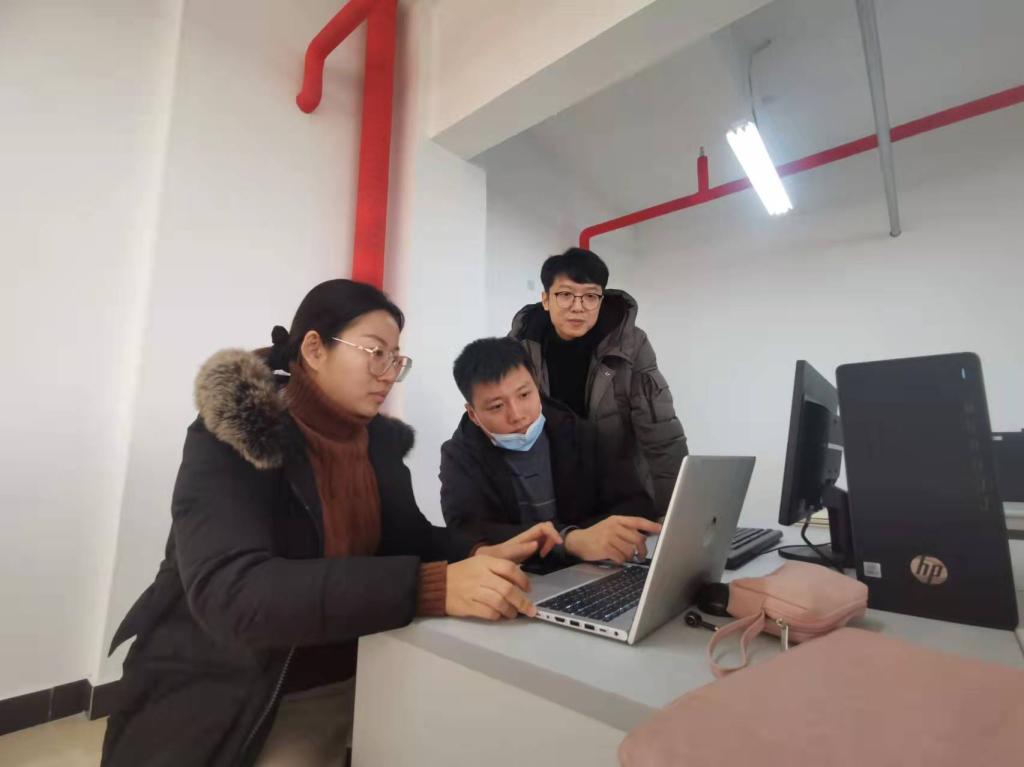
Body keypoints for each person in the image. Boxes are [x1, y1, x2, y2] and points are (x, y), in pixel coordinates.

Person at [101, 280, 561, 767]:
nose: (388, 374)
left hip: (372, 660)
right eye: (375, 353)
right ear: (314, 349)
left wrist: (478, 551)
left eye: (396, 360)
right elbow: (232, 591)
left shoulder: (376, 444)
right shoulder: (236, 436)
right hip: (245, 690)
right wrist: (428, 587)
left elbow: (410, 538)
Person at [441, 337, 662, 565]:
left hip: (590, 567)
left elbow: (637, 505)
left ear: (536, 384)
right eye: (497, 406)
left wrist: (590, 538)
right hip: (517, 573)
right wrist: (568, 540)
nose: (517, 415)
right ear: (473, 414)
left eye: (524, 395)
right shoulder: (459, 456)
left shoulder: (579, 432)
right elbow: (467, 533)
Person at [509, 247, 688, 513]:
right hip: (551, 492)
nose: (578, 307)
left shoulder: (630, 345)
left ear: (601, 300)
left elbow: (660, 432)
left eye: (590, 296)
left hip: (620, 490)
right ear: (546, 299)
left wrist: (674, 512)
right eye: (565, 295)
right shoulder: (519, 349)